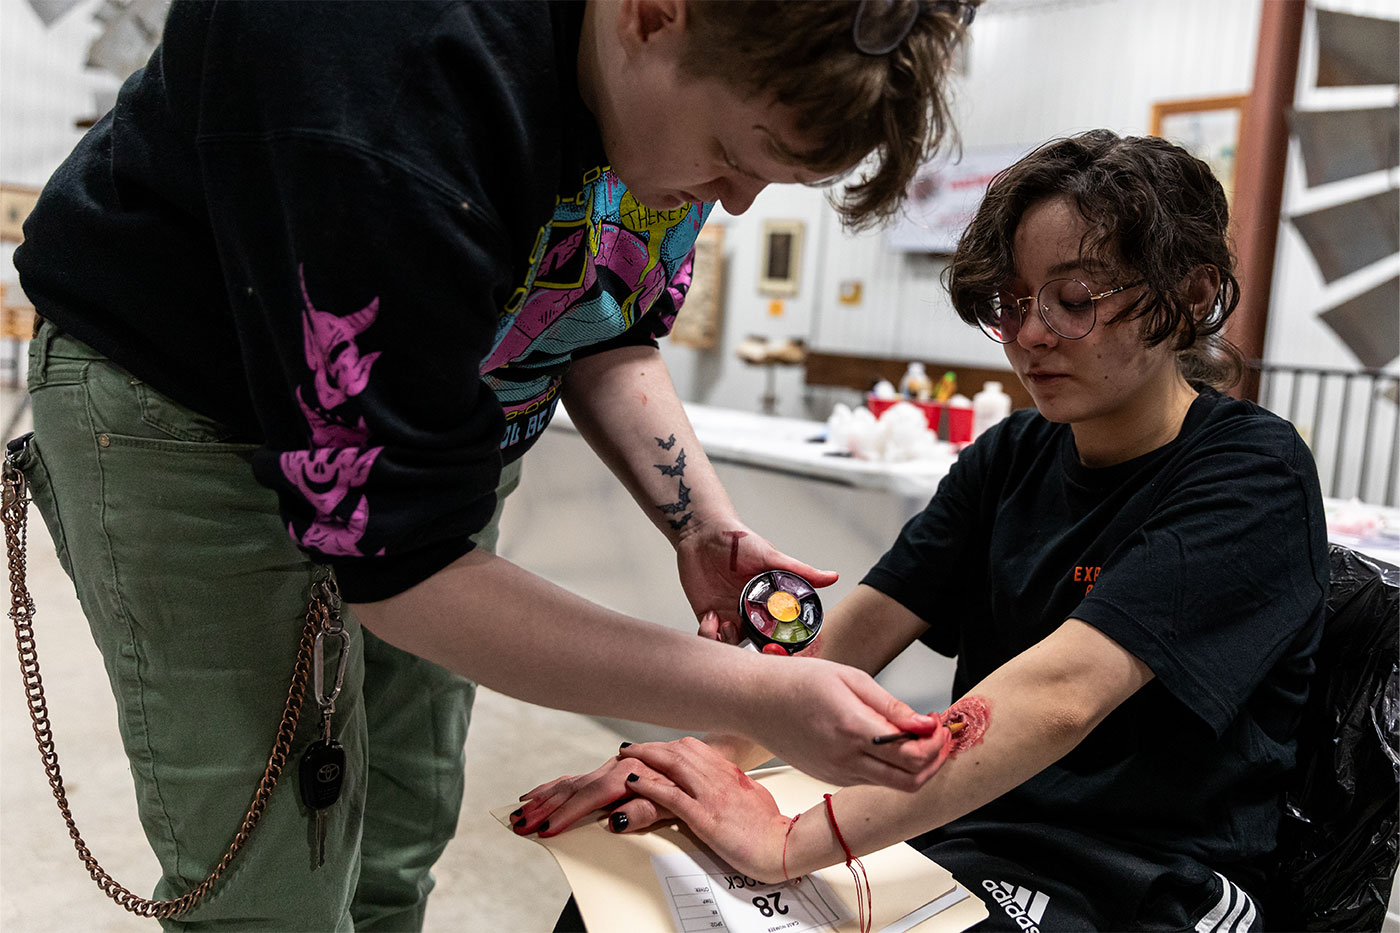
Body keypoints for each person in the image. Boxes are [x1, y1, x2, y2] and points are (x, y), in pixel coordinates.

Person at [6, 1, 981, 929]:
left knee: (399, 824)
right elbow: (405, 570)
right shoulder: (393, 89)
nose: (734, 199)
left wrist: (699, 524)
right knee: (271, 881)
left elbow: (599, 326)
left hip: (438, 445)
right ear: (650, 14)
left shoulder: (662, 79)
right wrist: (754, 697)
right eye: (731, 156)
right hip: (195, 413)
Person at [518, 130, 1329, 932]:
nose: (1031, 334)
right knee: (631, 885)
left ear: (1189, 297)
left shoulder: (1252, 472)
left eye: (1075, 301)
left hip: (1146, 874)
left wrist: (787, 838)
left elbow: (1062, 695)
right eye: (1012, 303)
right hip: (973, 833)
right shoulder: (1014, 454)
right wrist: (699, 764)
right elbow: (856, 633)